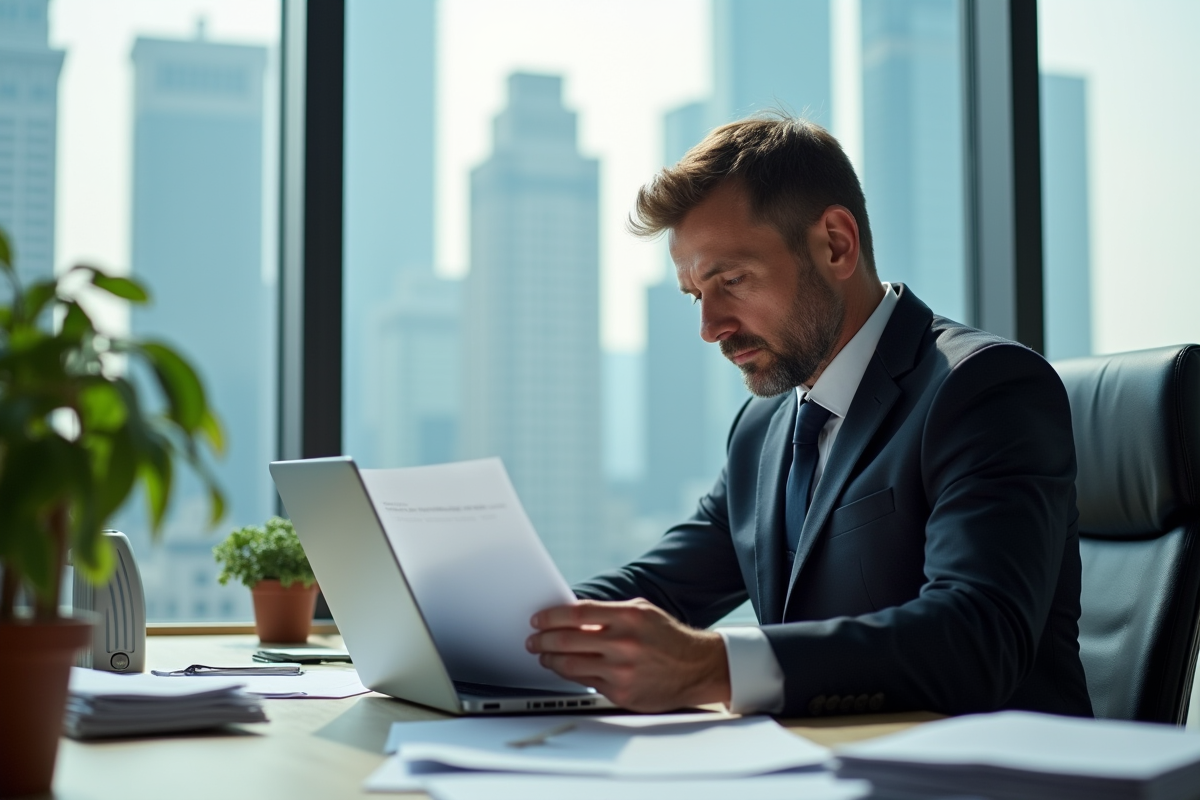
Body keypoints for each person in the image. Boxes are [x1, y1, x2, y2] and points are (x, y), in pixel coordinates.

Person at [525, 116, 1094, 719]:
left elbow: (976, 637)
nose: (710, 327)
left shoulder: (981, 389)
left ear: (835, 244)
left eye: (733, 280)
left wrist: (712, 666)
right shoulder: (761, 430)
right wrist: (518, 632)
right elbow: (663, 587)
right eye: (697, 295)